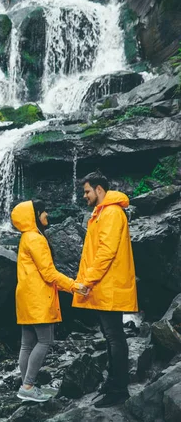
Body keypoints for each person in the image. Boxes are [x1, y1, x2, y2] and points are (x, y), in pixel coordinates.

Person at [11, 199, 88, 402]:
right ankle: (28, 385)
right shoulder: (36, 239)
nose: (47, 215)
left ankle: (25, 386)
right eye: (43, 212)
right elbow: (49, 273)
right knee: (45, 341)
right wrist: (74, 286)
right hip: (38, 297)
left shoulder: (26, 237)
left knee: (27, 344)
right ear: (34, 216)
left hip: (26, 297)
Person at [73, 171, 138, 408]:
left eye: (87, 191)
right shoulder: (102, 213)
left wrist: (87, 281)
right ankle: (113, 385)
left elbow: (106, 252)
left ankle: (118, 389)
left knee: (114, 337)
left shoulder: (111, 212)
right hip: (104, 285)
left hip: (108, 285)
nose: (85, 196)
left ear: (99, 189)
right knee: (112, 337)